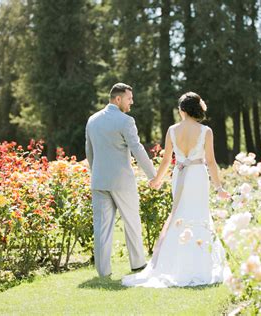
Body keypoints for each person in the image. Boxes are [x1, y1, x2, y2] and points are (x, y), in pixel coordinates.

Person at [122, 92, 230, 288]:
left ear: (182, 110)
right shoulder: (206, 131)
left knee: (180, 215)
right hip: (197, 175)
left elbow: (166, 160)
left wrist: (156, 179)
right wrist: (219, 187)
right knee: (199, 215)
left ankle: (177, 265)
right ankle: (200, 265)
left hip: (180, 175)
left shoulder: (172, 130)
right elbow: (212, 162)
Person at [85, 83, 156, 277]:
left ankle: (103, 272)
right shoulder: (126, 121)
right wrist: (153, 175)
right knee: (132, 222)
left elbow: (89, 152)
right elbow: (137, 149)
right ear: (118, 99)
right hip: (122, 182)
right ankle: (138, 264)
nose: (132, 101)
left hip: (99, 181)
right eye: (129, 98)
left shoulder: (92, 120)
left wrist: (97, 172)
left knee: (101, 228)